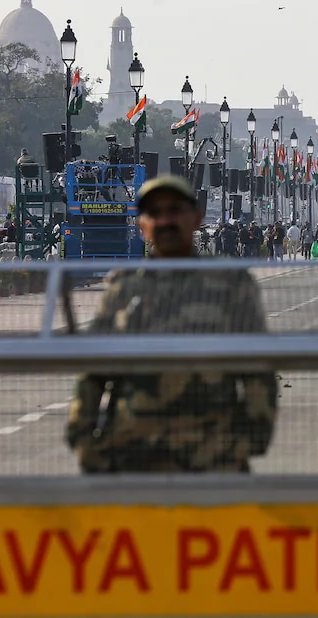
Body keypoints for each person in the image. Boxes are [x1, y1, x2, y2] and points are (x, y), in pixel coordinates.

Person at [65, 175, 277, 473]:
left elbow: (257, 366)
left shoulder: (230, 283)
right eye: (155, 213)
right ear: (142, 224)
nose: (166, 221)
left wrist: (253, 438)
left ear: (197, 218)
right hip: (132, 453)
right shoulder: (123, 286)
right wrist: (83, 437)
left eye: (175, 210)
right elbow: (93, 371)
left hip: (212, 453)